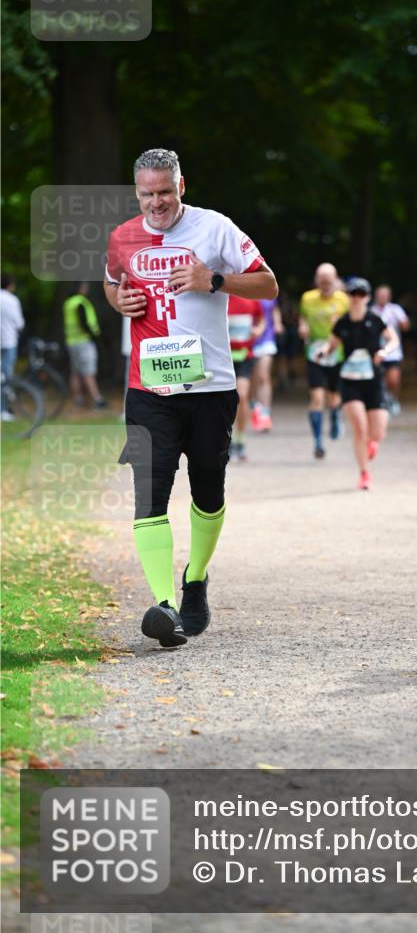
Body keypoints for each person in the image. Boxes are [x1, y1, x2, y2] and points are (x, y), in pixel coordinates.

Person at [103, 148, 278, 648]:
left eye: (163, 191)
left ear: (182, 186)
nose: (155, 202)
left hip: (211, 389)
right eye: (146, 193)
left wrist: (214, 280)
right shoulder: (122, 238)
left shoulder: (216, 228)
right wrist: (121, 301)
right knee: (149, 493)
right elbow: (112, 283)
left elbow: (269, 284)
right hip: (148, 389)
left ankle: (195, 579)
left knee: (208, 490)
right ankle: (164, 607)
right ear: (136, 192)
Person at [317, 277, 399, 490]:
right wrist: (323, 351)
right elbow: (332, 344)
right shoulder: (342, 322)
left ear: (368, 298)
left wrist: (385, 351)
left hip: (373, 380)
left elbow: (393, 339)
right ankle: (364, 474)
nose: (357, 298)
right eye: (353, 294)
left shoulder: (375, 319)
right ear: (348, 297)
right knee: (360, 429)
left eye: (361, 294)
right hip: (350, 380)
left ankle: (373, 444)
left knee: (377, 432)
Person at [298, 263, 349, 458]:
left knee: (334, 396)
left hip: (338, 353)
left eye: (329, 281)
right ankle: (318, 441)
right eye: (322, 281)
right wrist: (303, 328)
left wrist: (342, 328)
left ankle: (336, 415)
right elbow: (303, 318)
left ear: (335, 280)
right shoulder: (307, 298)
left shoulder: (344, 300)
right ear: (317, 280)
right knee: (317, 399)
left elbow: (352, 324)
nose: (326, 284)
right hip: (315, 353)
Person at [228, 293, 265, 459]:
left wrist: (258, 330)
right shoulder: (219, 297)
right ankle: (226, 439)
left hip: (244, 355)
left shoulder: (251, 298)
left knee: (242, 395)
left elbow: (262, 319)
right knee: (224, 400)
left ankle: (240, 440)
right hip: (223, 356)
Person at [63, 281, 107, 408]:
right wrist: (94, 335)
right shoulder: (81, 302)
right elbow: (84, 322)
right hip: (84, 341)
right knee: (89, 371)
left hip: (71, 341)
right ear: (81, 288)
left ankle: (78, 398)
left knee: (75, 371)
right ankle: (97, 399)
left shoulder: (68, 302)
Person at [371, 284, 410, 415]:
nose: (382, 298)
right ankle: (382, 401)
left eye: (385, 295)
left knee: (393, 380)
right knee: (378, 382)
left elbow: (406, 326)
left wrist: (402, 321)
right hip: (376, 352)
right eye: (380, 295)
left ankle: (393, 398)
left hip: (393, 352)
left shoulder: (395, 309)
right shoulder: (371, 311)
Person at [250, 297, 283, 432]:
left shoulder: (268, 287)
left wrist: (278, 323)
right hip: (249, 339)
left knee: (264, 376)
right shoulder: (244, 289)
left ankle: (265, 413)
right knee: (253, 379)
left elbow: (274, 308)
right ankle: (255, 406)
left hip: (267, 338)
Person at [0, 274, 25, 421]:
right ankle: (4, 410)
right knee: (6, 377)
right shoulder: (12, 300)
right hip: (9, 342)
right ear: (10, 285)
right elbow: (19, 323)